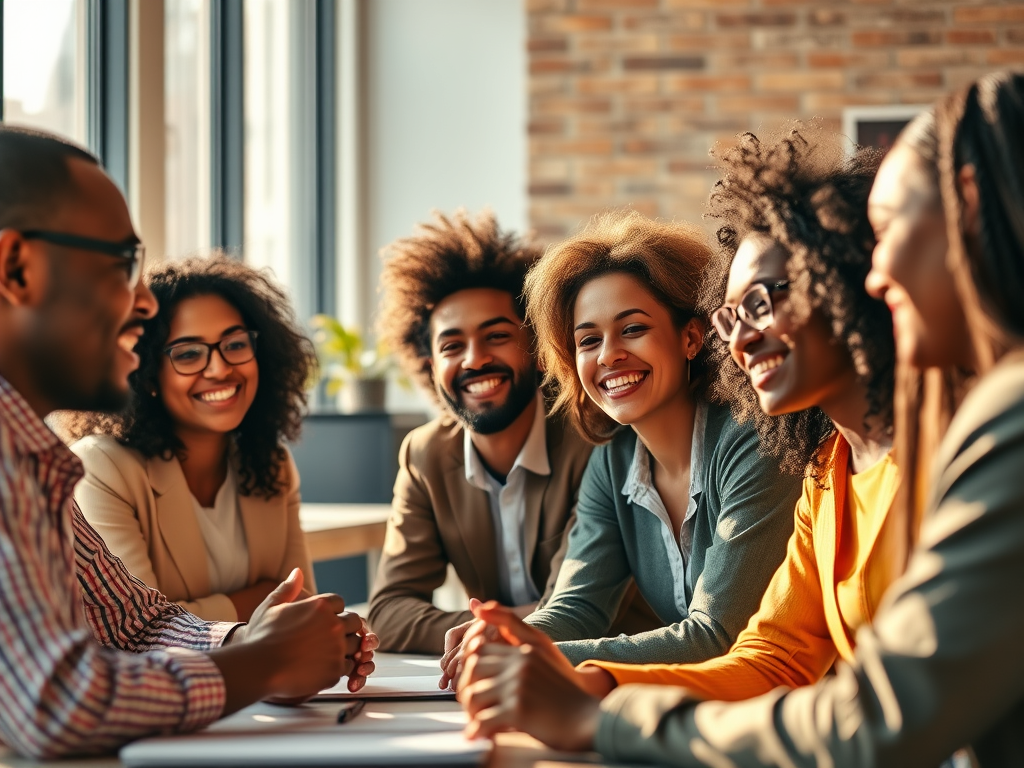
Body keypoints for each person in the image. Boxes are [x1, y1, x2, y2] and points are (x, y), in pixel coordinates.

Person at [464, 73, 1024, 766]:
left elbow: (879, 714)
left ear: (840, 278)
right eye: (733, 313)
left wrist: (602, 717)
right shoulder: (829, 470)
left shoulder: (970, 434)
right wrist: (599, 683)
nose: (742, 336)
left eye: (765, 301)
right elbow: (774, 657)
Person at [0, 126, 373, 759]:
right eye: (123, 266)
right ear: (16, 268)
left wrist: (249, 641)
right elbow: (57, 703)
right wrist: (264, 664)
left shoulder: (31, 458)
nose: (144, 304)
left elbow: (134, 621)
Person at [488, 210, 801, 672]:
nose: (609, 354)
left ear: (691, 338)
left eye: (632, 329)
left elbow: (718, 636)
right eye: (588, 340)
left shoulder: (754, 441)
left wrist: (535, 655)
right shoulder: (613, 463)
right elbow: (578, 608)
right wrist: (507, 636)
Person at [367, 209, 599, 657]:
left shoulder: (590, 437)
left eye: (495, 336)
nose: (474, 360)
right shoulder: (424, 454)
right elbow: (390, 612)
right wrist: (485, 629)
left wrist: (485, 631)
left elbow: (579, 611)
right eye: (452, 346)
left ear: (534, 347)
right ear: (432, 367)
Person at [61, 256, 317, 622]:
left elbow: (300, 607)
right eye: (188, 354)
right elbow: (137, 629)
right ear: (146, 374)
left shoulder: (269, 461)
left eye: (235, 344)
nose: (220, 368)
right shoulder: (100, 467)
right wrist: (258, 601)